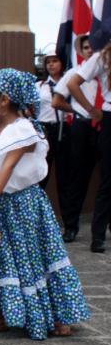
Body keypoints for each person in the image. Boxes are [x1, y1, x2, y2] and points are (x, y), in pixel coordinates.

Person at [0, 68, 90, 339]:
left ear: (3, 101)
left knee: (33, 259)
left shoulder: (23, 129)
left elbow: (9, 166)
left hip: (23, 205)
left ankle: (56, 315)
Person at [66, 37, 111, 252]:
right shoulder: (102, 56)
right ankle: (98, 236)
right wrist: (92, 110)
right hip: (109, 117)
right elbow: (72, 83)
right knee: (107, 180)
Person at [53, 34, 98, 244]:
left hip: (105, 123)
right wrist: (79, 110)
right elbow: (56, 101)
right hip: (83, 126)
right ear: (81, 50)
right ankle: (71, 226)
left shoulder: (105, 70)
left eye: (93, 46)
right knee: (78, 177)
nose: (90, 50)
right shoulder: (74, 73)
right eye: (86, 47)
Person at [36, 47, 69, 208]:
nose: (51, 65)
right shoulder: (39, 86)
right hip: (44, 130)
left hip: (64, 129)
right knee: (41, 174)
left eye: (55, 61)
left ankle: (69, 225)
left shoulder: (69, 83)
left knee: (64, 176)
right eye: (48, 62)